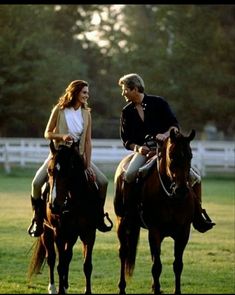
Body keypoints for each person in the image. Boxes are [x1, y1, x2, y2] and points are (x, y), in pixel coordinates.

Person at [118, 73, 215, 233]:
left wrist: (166, 134)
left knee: (195, 178)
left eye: (125, 89)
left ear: (135, 89)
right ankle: (130, 213)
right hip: (144, 151)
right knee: (129, 174)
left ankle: (198, 215)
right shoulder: (126, 111)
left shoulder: (159, 103)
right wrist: (138, 148)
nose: (123, 93)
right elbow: (126, 140)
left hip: (166, 150)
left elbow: (174, 125)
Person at [28, 80, 113, 237]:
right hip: (59, 156)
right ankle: (37, 219)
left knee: (103, 182)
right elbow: (47, 133)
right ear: (75, 92)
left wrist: (87, 163)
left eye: (87, 92)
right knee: (36, 183)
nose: (87, 95)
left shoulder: (87, 114)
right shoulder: (59, 110)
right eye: (84, 92)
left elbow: (88, 141)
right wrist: (61, 136)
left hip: (79, 157)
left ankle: (99, 217)